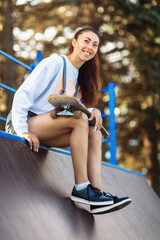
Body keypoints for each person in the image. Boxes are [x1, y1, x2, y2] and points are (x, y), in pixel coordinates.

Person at [5, 27, 131, 214]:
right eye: (86, 41)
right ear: (74, 42)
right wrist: (22, 129)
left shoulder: (80, 78)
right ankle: (81, 188)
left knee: (94, 131)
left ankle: (96, 194)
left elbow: (71, 107)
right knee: (80, 119)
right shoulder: (56, 62)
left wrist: (92, 111)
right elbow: (23, 94)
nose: (90, 47)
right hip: (25, 122)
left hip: (49, 128)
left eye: (95, 44)